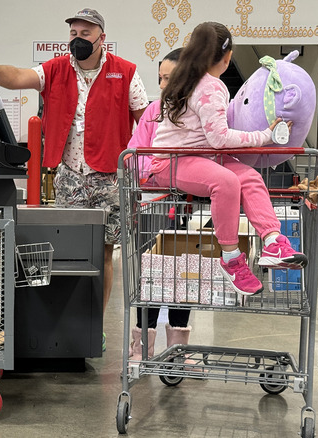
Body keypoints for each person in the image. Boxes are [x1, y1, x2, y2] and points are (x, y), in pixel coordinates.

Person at [0, 8, 149, 352]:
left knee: (105, 252)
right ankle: (68, 323)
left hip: (111, 177)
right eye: (73, 33)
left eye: (85, 33)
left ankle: (96, 323)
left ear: (101, 38)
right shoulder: (55, 70)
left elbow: (146, 120)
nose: (77, 39)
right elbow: (20, 76)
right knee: (69, 251)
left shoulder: (126, 73)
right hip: (69, 176)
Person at [150, 21, 308, 297]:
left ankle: (273, 240)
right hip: (172, 161)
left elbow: (212, 138)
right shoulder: (211, 86)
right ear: (228, 56)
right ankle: (231, 257)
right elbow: (219, 139)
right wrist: (264, 136)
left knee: (248, 176)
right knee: (227, 182)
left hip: (202, 157)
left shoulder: (186, 78)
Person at [126, 48, 190, 359]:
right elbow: (132, 157)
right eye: (161, 78)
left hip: (188, 207)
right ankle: (142, 348)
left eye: (171, 78)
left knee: (187, 275)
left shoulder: (201, 113)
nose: (164, 85)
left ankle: (178, 350)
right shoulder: (153, 112)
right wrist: (160, 168)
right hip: (153, 206)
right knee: (149, 276)